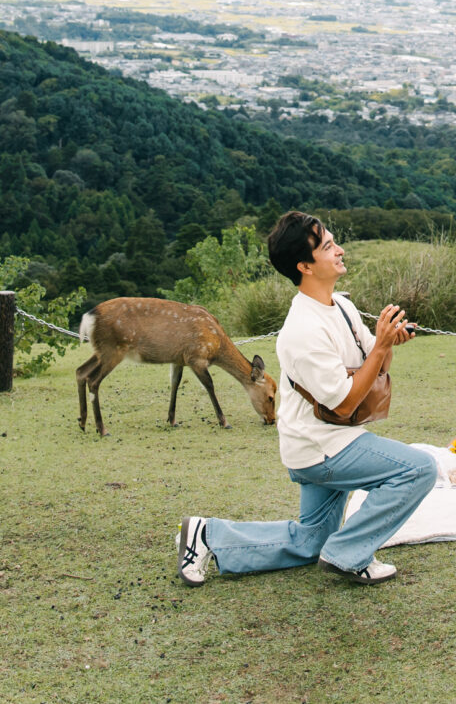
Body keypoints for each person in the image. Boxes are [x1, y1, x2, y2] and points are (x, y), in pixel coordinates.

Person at [175, 212, 434, 586]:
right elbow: (343, 405)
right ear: (304, 266)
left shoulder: (341, 306)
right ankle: (349, 555)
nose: (340, 250)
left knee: (312, 541)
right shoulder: (302, 330)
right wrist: (379, 348)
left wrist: (386, 343)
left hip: (324, 440)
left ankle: (207, 535)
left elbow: (374, 367)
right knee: (419, 469)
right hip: (321, 448)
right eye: (328, 246)